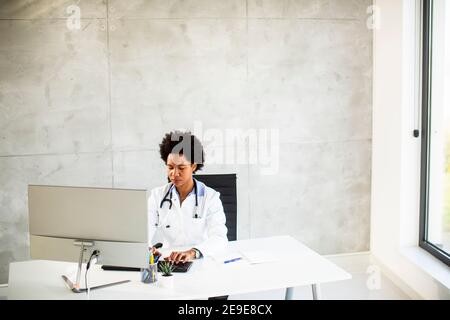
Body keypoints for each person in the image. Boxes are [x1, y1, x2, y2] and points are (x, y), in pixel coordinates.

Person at [147, 131, 228, 263]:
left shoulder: (211, 198)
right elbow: (144, 233)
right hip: (169, 262)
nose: (174, 173)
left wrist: (193, 252)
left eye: (181, 168)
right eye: (170, 167)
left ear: (193, 166)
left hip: (200, 260)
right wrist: (148, 248)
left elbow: (220, 239)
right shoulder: (157, 196)